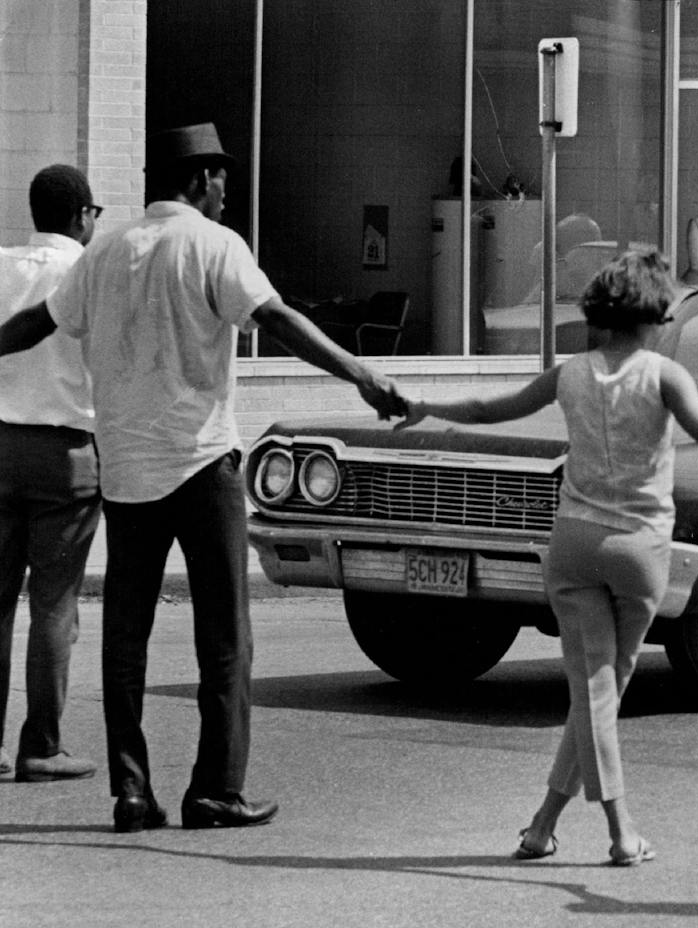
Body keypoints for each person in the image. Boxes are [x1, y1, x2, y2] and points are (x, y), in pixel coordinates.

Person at [0, 123, 406, 833]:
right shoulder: (216, 247)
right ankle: (215, 790)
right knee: (224, 635)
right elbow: (277, 320)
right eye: (221, 179)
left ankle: (131, 791)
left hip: (125, 470)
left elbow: (35, 323)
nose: (226, 193)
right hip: (200, 464)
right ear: (200, 180)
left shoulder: (107, 253)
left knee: (125, 634)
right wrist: (363, 372)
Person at [398, 249, 698, 865]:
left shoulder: (569, 373)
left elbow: (484, 410)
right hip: (639, 550)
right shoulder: (663, 375)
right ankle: (620, 830)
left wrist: (423, 407)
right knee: (602, 691)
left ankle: (541, 826)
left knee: (592, 693)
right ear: (653, 316)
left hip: (573, 543)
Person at [0, 165, 102, 783]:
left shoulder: (0, 263)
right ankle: (42, 743)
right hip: (65, 453)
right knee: (54, 605)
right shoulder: (87, 274)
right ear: (82, 215)